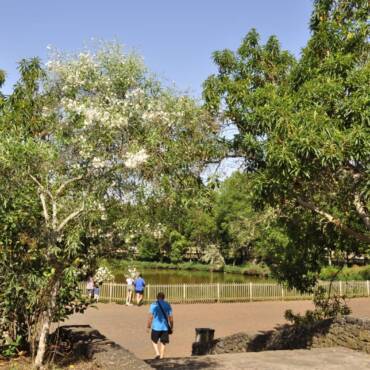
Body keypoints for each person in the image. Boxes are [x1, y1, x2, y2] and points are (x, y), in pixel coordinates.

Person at [147, 292, 173, 359]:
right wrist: (172, 326)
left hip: (156, 327)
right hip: (165, 327)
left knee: (153, 340)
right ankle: (161, 356)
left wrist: (148, 326)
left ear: (157, 297)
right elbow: (171, 317)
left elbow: (150, 317)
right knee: (163, 342)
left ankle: (157, 353)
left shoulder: (153, 305)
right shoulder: (167, 304)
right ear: (164, 297)